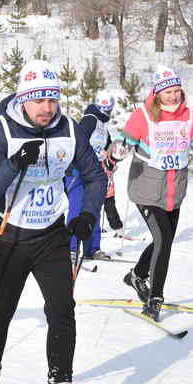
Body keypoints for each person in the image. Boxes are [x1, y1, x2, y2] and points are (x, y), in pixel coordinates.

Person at [0, 59, 108, 384]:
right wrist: (14, 163)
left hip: (51, 235)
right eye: (38, 101)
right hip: (9, 234)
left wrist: (87, 215)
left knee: (62, 310)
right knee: (1, 309)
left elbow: (96, 177)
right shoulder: (4, 130)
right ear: (24, 99)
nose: (47, 109)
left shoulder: (70, 129)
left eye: (52, 100)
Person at [113, 67, 193, 320]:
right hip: (147, 190)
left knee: (165, 241)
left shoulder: (189, 117)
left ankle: (137, 275)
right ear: (157, 93)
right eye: (167, 92)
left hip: (175, 191)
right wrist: (117, 151)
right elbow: (123, 141)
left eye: (176, 91)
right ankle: (155, 299)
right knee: (163, 241)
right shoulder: (143, 116)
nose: (173, 96)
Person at [66, 93, 117, 261]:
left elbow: (108, 147)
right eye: (107, 109)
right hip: (78, 172)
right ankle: (71, 248)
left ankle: (92, 249)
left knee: (93, 209)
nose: (108, 113)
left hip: (94, 173)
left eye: (109, 110)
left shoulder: (103, 125)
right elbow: (78, 143)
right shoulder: (90, 119)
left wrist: (113, 159)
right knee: (77, 209)